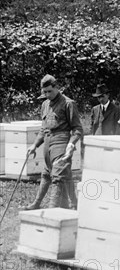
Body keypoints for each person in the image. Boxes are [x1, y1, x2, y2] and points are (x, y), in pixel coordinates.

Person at [25, 75, 83, 210]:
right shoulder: (45, 104)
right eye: (44, 92)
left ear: (56, 87)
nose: (46, 95)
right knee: (48, 174)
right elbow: (43, 129)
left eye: (49, 91)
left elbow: (77, 128)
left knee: (57, 177)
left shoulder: (68, 103)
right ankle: (39, 203)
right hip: (47, 143)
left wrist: (71, 144)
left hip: (61, 143)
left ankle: (52, 210)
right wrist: (34, 145)